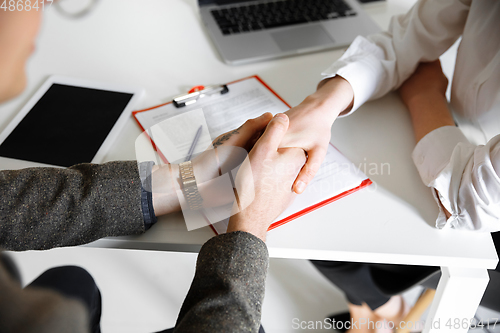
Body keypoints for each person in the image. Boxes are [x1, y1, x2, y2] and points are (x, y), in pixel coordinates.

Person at [0, 7, 307, 333]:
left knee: (74, 281)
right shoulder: (39, 320)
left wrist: (183, 180)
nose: (43, 8)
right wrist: (250, 226)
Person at [277, 0, 499, 331]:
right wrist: (321, 106)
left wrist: (424, 95)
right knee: (313, 205)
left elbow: (468, 201)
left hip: (485, 224)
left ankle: (375, 305)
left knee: (326, 230)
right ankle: (379, 307)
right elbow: (407, 38)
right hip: (458, 140)